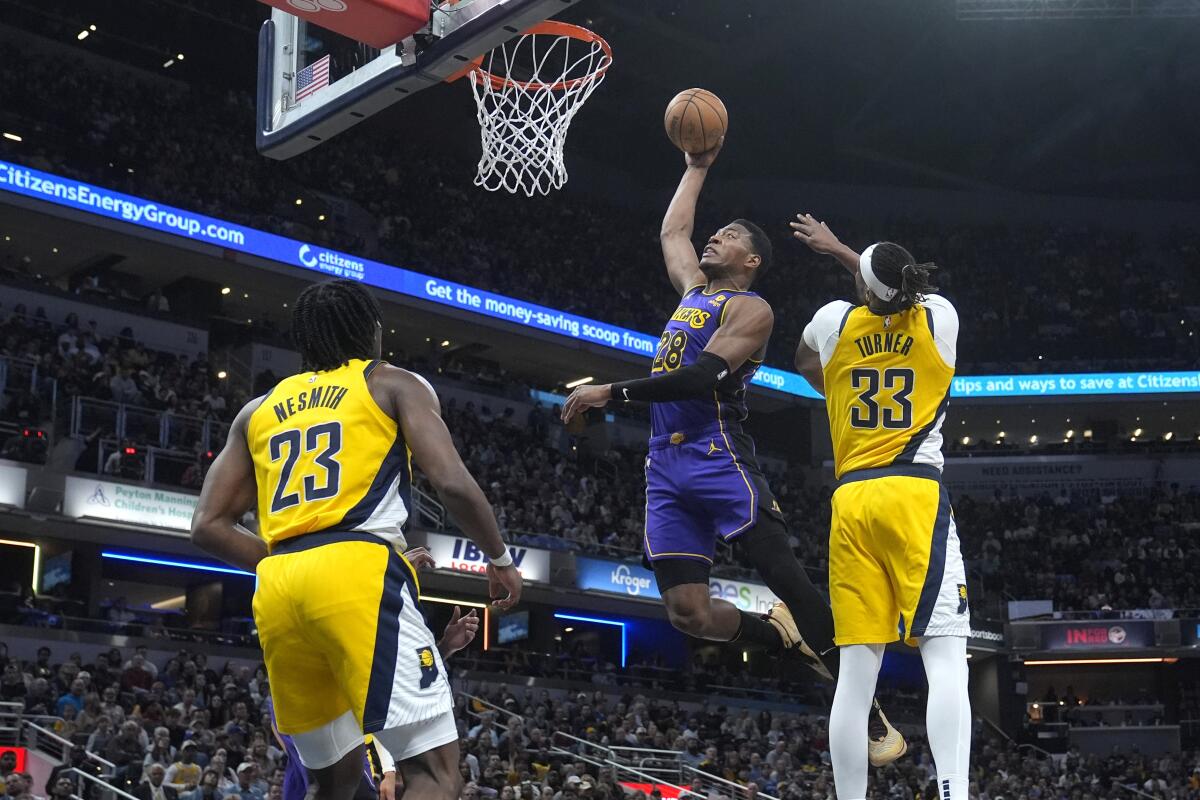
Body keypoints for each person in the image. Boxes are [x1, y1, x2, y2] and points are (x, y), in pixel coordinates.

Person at [560, 141, 903, 763]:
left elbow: (702, 378)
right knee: (686, 613)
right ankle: (773, 635)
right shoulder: (691, 290)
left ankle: (868, 707)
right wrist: (696, 168)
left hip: (719, 456)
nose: (711, 240)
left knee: (791, 581)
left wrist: (610, 391)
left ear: (749, 260)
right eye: (713, 234)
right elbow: (674, 229)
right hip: (664, 466)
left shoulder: (751, 308)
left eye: (727, 237)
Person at [191, 279, 522, 800]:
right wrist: (499, 557)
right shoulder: (392, 383)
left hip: (278, 586)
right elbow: (452, 482)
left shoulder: (256, 410)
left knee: (335, 783)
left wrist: (300, 562)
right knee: (435, 772)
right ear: (371, 332)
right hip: (357, 574)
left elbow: (207, 524)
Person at [791, 215, 971, 800]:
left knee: (856, 674)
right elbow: (897, 289)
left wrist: (843, 384)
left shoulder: (832, 322)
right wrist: (847, 252)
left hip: (852, 499)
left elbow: (803, 363)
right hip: (915, 493)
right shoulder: (940, 317)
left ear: (864, 289)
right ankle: (953, 792)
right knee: (945, 659)